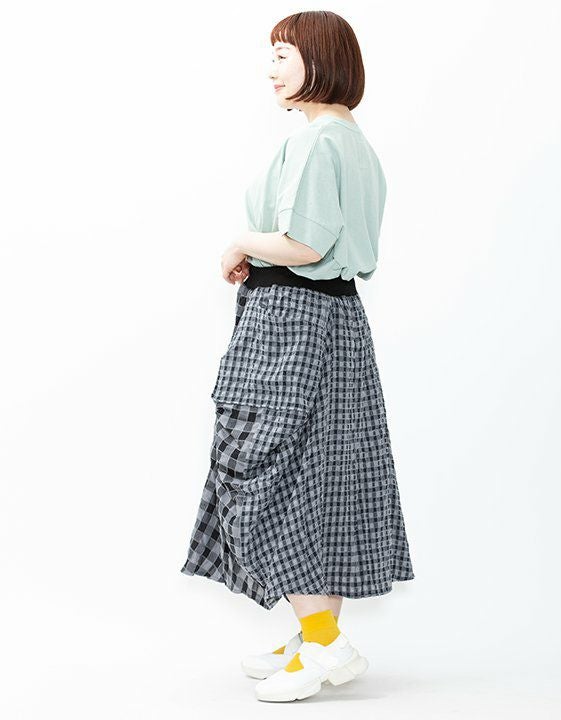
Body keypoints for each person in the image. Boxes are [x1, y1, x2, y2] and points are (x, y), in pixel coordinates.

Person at [180, 10, 415, 702]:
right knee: (323, 476)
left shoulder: (316, 142)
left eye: (284, 53)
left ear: (322, 58)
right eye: (272, 55)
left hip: (293, 319)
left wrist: (241, 243)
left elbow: (304, 245)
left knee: (264, 470)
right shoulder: (354, 142)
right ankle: (318, 637)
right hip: (338, 319)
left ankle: (324, 640)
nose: (272, 68)